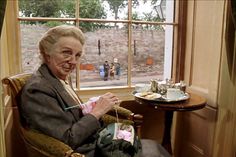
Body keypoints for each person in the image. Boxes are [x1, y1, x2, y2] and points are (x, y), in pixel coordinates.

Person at [20, 25, 120, 157]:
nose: (73, 61)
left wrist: (95, 106)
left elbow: (73, 116)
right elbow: (68, 139)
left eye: (77, 55)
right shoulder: (37, 89)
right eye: (66, 52)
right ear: (47, 54)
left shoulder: (59, 78)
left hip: (97, 143)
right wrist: (97, 112)